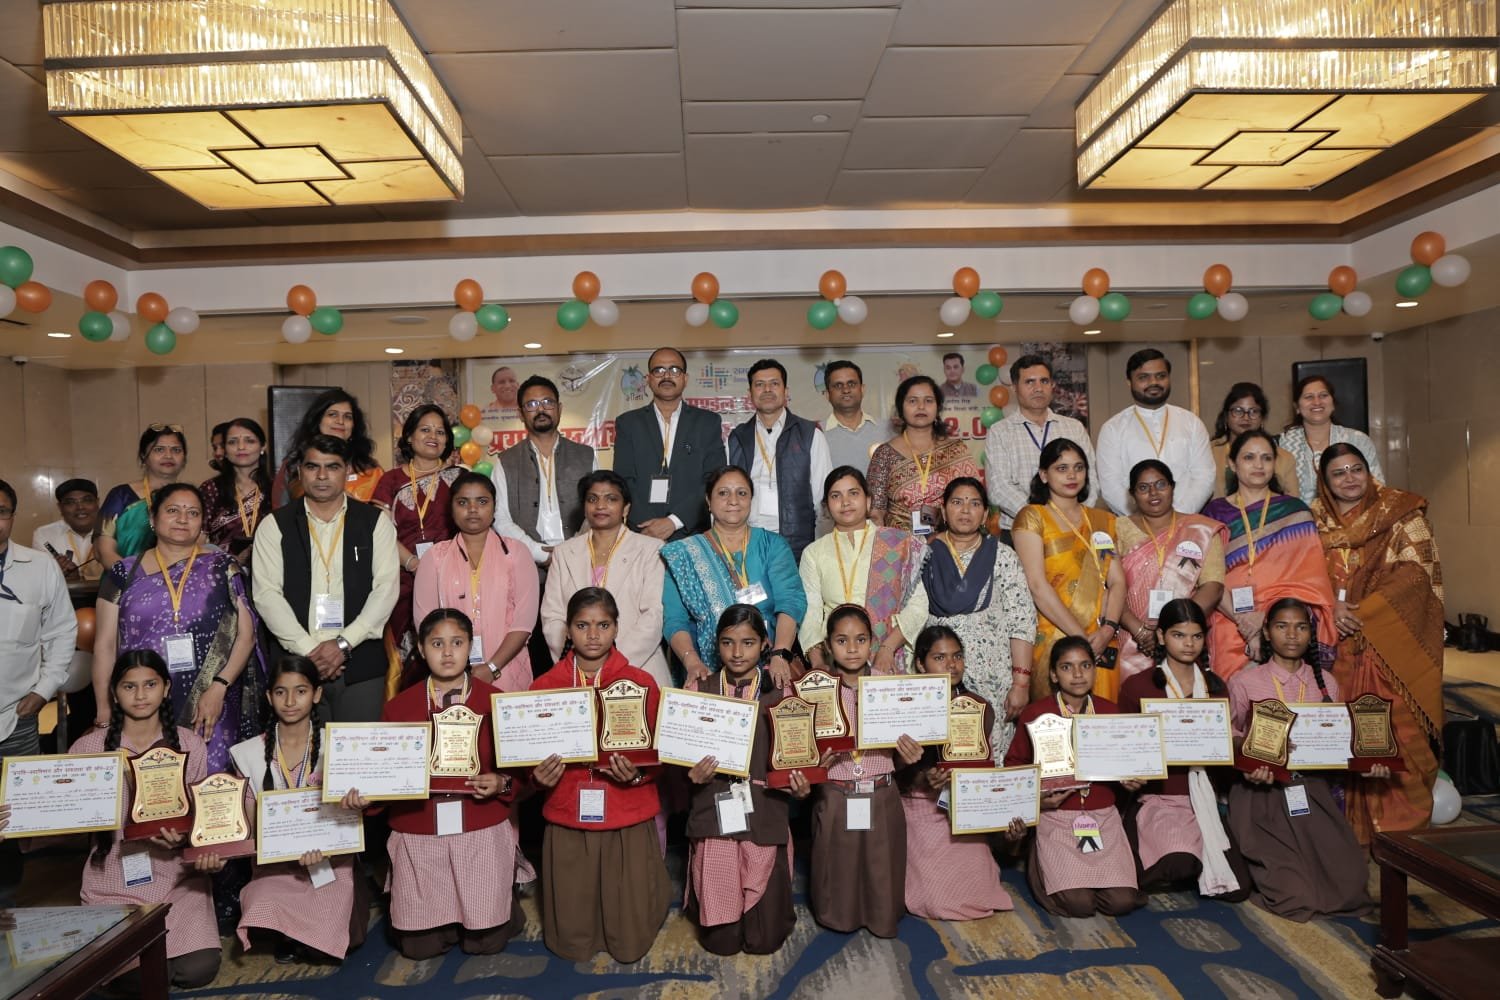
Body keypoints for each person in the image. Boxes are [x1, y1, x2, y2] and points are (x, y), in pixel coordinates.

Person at [341, 610, 523, 959]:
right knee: (418, 948)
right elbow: (383, 776)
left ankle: (502, 900)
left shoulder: (495, 700)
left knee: (484, 944)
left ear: (471, 647)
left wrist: (501, 782)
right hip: (420, 825)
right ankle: (453, 912)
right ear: (422, 650)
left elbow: (522, 775)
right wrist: (365, 799)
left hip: (478, 822)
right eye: (437, 644)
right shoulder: (399, 708)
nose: (448, 652)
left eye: (457, 643)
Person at [1311, 443, 1444, 844]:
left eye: (1357, 469)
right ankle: (1349, 830)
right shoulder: (1313, 520)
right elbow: (1302, 571)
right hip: (1334, 642)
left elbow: (1417, 574)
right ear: (1326, 481)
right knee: (1340, 729)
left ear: (1369, 472)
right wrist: (1329, 610)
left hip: (1388, 643)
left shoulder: (1402, 513)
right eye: (1339, 473)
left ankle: (1403, 835)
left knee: (1398, 730)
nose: (1349, 478)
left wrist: (1364, 613)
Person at [530, 588, 671, 963]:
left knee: (628, 938)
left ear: (616, 628)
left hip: (626, 808)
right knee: (572, 939)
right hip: (567, 807)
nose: (593, 635)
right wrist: (537, 777)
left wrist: (638, 775)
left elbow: (660, 758)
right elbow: (526, 758)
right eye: (582, 625)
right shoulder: (544, 686)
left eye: (603, 625)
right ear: (568, 631)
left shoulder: (641, 683)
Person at [71, 650, 220, 989]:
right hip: (112, 879)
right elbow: (63, 818)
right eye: (129, 686)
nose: (140, 696)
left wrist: (183, 839)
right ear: (114, 692)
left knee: (198, 970)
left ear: (166, 688)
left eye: (150, 684)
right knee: (140, 980)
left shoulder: (190, 744)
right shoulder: (87, 748)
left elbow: (202, 818)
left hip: (175, 879)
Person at [93, 484, 263, 773]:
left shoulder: (224, 568)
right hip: (142, 702)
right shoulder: (124, 572)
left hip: (211, 703)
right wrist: (104, 709)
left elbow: (246, 636)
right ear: (153, 517)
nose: (183, 519)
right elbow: (105, 645)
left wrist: (219, 687)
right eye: (173, 511)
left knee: (212, 785)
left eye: (192, 512)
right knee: (148, 787)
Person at [1227, 598, 1374, 921]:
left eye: (1301, 627)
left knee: (1351, 885)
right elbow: (1230, 736)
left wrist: (1368, 763)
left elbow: (1335, 742)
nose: (1291, 635)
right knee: (1295, 898)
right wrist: (1251, 763)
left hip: (1310, 790)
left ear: (1311, 634)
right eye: (1282, 626)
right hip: (1260, 795)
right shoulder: (1245, 682)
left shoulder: (1326, 683)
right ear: (1266, 632)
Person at [222, 657, 365, 964]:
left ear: (316, 694)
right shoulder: (247, 753)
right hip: (275, 866)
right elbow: (247, 823)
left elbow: (349, 819)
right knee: (262, 901)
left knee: (338, 939)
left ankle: (304, 932)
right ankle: (288, 931)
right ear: (268, 697)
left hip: (330, 863)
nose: (289, 701)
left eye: (300, 691)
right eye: (280, 692)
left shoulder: (338, 745)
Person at [682, 605, 805, 955]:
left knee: (764, 940)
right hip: (714, 810)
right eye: (727, 643)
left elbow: (796, 757)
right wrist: (691, 774)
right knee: (720, 942)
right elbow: (679, 758)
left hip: (764, 809)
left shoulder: (781, 692)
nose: (737, 653)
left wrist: (801, 785)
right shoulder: (699, 688)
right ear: (716, 645)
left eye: (748, 643)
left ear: (765, 645)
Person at [253, 434, 399, 723]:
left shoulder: (374, 522)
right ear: (299, 471)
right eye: (312, 467)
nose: (322, 476)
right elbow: (267, 595)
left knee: (356, 761)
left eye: (332, 467)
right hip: (294, 667)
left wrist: (342, 644)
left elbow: (386, 589)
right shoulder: (274, 525)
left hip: (361, 666)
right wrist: (310, 650)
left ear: (347, 470)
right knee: (301, 761)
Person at [1118, 600, 1249, 900]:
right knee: (1179, 864)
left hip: (1202, 798)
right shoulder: (1138, 686)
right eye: (1179, 635)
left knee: (1238, 889)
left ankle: (1193, 861)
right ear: (1162, 637)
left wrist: (1253, 746)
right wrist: (1129, 774)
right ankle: (1163, 858)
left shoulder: (1216, 688)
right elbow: (1124, 747)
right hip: (1157, 797)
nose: (1189, 644)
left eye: (1196, 636)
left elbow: (1226, 745)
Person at [1005, 638, 1145, 919]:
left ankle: (1085, 877)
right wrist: (1038, 800)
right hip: (1055, 816)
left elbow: (1128, 764)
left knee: (1122, 902)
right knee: (1078, 904)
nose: (1078, 674)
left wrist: (1131, 780)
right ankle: (1038, 857)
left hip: (1101, 816)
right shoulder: (1036, 713)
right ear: (1054, 675)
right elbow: (1014, 765)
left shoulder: (1110, 712)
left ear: (1095, 670)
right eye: (1067, 667)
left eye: (1085, 666)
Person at [809, 604, 924, 937]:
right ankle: (838, 915)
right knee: (839, 864)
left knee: (880, 864)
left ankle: (882, 916)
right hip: (836, 790)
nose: (852, 648)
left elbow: (907, 745)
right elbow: (800, 748)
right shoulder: (817, 691)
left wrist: (908, 753)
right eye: (842, 640)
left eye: (860, 639)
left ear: (872, 642)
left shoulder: (891, 686)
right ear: (828, 646)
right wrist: (815, 764)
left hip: (880, 787)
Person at [900, 625, 1020, 920]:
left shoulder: (980, 709)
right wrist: (924, 779)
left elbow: (985, 771)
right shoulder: (904, 704)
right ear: (920, 663)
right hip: (920, 805)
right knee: (936, 900)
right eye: (939, 658)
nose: (951, 665)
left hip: (963, 810)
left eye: (957, 656)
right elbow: (893, 772)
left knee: (980, 891)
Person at [1203, 430, 1337, 682]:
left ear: (1275, 464)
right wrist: (1244, 622)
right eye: (1249, 457)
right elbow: (1207, 578)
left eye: (1266, 458)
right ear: (1232, 463)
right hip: (1228, 620)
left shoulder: (1295, 512)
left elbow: (1310, 582)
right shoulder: (1214, 513)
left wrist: (1264, 618)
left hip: (1282, 623)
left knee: (1280, 703)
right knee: (1233, 702)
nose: (1258, 465)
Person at [921, 477, 1036, 756]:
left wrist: (1021, 682)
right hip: (937, 679)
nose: (965, 510)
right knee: (940, 755)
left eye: (974, 504)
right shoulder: (923, 555)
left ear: (985, 513)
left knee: (990, 753)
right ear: (943, 510)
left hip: (992, 679)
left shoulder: (1003, 556)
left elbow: (1021, 619)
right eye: (957, 502)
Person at [661, 466, 805, 687]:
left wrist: (780, 653)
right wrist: (692, 662)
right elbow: (674, 619)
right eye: (723, 493)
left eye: (742, 492)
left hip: (769, 665)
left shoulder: (773, 546)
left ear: (751, 500)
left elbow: (791, 602)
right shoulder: (684, 554)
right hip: (707, 669)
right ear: (708, 501)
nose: (733, 500)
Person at [1012, 439, 1126, 701]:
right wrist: (1080, 640)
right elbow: (1037, 586)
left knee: (1103, 721)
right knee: (1055, 728)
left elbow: (1117, 580)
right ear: (1044, 475)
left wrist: (1108, 629)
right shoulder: (1033, 516)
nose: (1072, 475)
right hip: (1054, 635)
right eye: (1061, 468)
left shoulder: (1102, 520)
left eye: (1078, 467)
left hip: (1101, 639)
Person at [540, 470, 668, 687]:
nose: (600, 506)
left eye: (611, 499)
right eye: (592, 499)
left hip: (637, 668)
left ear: (625, 507)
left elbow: (653, 616)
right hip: (577, 674)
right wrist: (583, 661)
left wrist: (612, 665)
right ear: (584, 506)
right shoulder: (563, 553)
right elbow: (552, 617)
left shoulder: (651, 549)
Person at [413, 472, 539, 692]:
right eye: (463, 502)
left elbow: (524, 623)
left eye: (482, 501)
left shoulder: (516, 553)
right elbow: (426, 624)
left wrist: (492, 667)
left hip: (507, 671)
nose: (472, 509)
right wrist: (454, 668)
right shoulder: (435, 558)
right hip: (449, 672)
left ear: (494, 507)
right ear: (451, 509)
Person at [798, 466, 927, 675]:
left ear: (868, 501)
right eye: (836, 496)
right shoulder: (814, 552)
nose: (845, 502)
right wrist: (818, 663)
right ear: (826, 506)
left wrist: (887, 649)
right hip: (835, 660)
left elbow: (918, 606)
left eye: (853, 493)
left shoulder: (898, 544)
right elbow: (810, 613)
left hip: (890, 657)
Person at [1115, 460, 1226, 685]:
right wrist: (1141, 631)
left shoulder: (1201, 529)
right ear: (1132, 494)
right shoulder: (1115, 528)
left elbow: (1213, 586)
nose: (1153, 493)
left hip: (1185, 640)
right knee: (1133, 702)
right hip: (1130, 637)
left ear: (1173, 487)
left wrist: (1177, 629)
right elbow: (1109, 586)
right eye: (1143, 487)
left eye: (1160, 484)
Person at [371, 404, 462, 661]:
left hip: (453, 577)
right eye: (425, 430)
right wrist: (412, 563)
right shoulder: (390, 481)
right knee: (413, 657)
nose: (433, 437)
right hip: (404, 580)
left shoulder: (460, 478)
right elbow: (381, 532)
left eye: (440, 432)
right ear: (409, 436)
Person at [612, 347, 725, 541]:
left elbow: (713, 480)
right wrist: (649, 527)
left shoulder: (707, 422)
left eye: (674, 370)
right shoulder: (628, 423)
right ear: (648, 379)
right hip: (642, 533)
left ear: (685, 378)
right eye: (659, 370)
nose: (666, 376)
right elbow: (623, 479)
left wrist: (674, 521)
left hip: (692, 531)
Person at [0, 477, 76, 759]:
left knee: (18, 801)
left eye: (1, 511)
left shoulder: (41, 567)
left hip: (16, 715)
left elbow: (62, 631)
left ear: (12, 517)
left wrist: (44, 690)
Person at [727, 359, 831, 561]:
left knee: (793, 594)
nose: (767, 389)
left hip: (798, 544)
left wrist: (821, 550)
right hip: (747, 543)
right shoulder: (736, 438)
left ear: (786, 391)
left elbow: (823, 500)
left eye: (774, 383)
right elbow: (722, 498)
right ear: (749, 394)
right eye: (759, 384)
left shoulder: (810, 434)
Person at [985, 354, 1097, 536]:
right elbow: (999, 487)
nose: (1038, 388)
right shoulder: (1000, 432)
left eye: (1044, 381)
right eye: (1029, 382)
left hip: (1073, 529)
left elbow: (1090, 478)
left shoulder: (1074, 428)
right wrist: (1043, 517)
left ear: (1052, 385)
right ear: (1014, 388)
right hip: (1020, 530)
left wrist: (1071, 516)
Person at [1095, 349, 1215, 516]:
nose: (1154, 382)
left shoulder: (1191, 423)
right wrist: (1144, 520)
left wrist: (1178, 518)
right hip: (1136, 528)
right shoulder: (1112, 429)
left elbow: (1204, 478)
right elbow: (1111, 486)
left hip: (1187, 522)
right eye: (1143, 377)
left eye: (1161, 376)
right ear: (1129, 382)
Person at [492, 375, 597, 565]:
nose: (540, 409)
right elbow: (500, 517)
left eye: (547, 402)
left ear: (560, 408)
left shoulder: (586, 456)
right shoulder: (506, 461)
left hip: (579, 559)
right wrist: (539, 553)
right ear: (521, 413)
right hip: (525, 562)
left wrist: (571, 549)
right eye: (531, 404)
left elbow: (596, 511)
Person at [867, 375, 981, 534]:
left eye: (928, 401)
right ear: (901, 407)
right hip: (898, 546)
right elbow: (875, 512)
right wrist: (886, 548)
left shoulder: (956, 449)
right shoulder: (885, 454)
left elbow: (975, 499)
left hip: (951, 543)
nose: (921, 407)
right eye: (913, 401)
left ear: (938, 407)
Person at [1278, 375, 1385, 506]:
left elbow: (1378, 488)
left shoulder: (1358, 440)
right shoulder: (1282, 445)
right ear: (1297, 407)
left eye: (1323, 395)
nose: (1317, 402)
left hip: (1353, 522)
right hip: (1299, 524)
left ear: (1333, 403)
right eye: (1309, 397)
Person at [97, 424, 189, 571]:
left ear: (184, 458)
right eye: (159, 449)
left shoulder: (192, 500)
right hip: (126, 585)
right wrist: (136, 579)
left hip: (181, 585)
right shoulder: (121, 495)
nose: (168, 455)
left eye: (176, 450)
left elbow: (200, 545)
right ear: (143, 456)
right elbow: (104, 550)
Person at [270, 389, 383, 507]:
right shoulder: (294, 464)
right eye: (332, 414)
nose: (340, 421)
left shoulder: (370, 468)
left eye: (347, 417)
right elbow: (280, 514)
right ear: (318, 420)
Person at [198, 418, 271, 564]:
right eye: (232, 442)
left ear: (263, 446)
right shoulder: (211, 489)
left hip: (269, 569)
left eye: (249, 441)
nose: (241, 447)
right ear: (224, 450)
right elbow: (198, 538)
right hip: (221, 573)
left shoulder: (276, 488)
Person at [1209, 383, 1299, 500]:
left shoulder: (1284, 458)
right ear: (1226, 416)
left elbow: (1292, 505)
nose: (1246, 417)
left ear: (1262, 418)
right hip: (1215, 517)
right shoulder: (1209, 453)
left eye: (1254, 411)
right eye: (1238, 410)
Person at [821, 360, 886, 475]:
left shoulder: (887, 430)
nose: (846, 390)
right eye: (838, 385)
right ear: (827, 394)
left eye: (851, 384)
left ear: (862, 389)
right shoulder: (816, 434)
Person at [32, 477, 102, 582]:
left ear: (97, 503)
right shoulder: (44, 534)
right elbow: (41, 578)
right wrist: (56, 573)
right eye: (70, 502)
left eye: (87, 500)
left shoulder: (117, 532)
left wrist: (80, 579)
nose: (80, 507)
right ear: (60, 507)